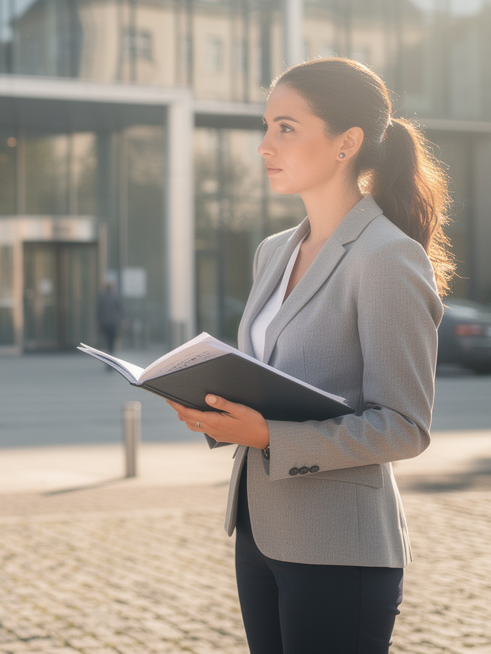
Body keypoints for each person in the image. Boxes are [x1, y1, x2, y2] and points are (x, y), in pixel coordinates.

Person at [166, 57, 451, 654]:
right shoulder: (273, 252)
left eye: (287, 128)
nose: (264, 145)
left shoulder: (386, 257)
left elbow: (405, 427)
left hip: (340, 549)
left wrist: (269, 435)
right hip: (260, 531)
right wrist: (215, 409)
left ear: (347, 142)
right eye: (266, 126)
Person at [96, 281, 124, 354]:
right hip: (113, 321)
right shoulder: (116, 297)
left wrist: (98, 320)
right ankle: (111, 350)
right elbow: (120, 309)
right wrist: (122, 319)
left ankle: (107, 350)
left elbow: (99, 309)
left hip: (104, 321)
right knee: (112, 337)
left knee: (106, 337)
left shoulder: (102, 297)